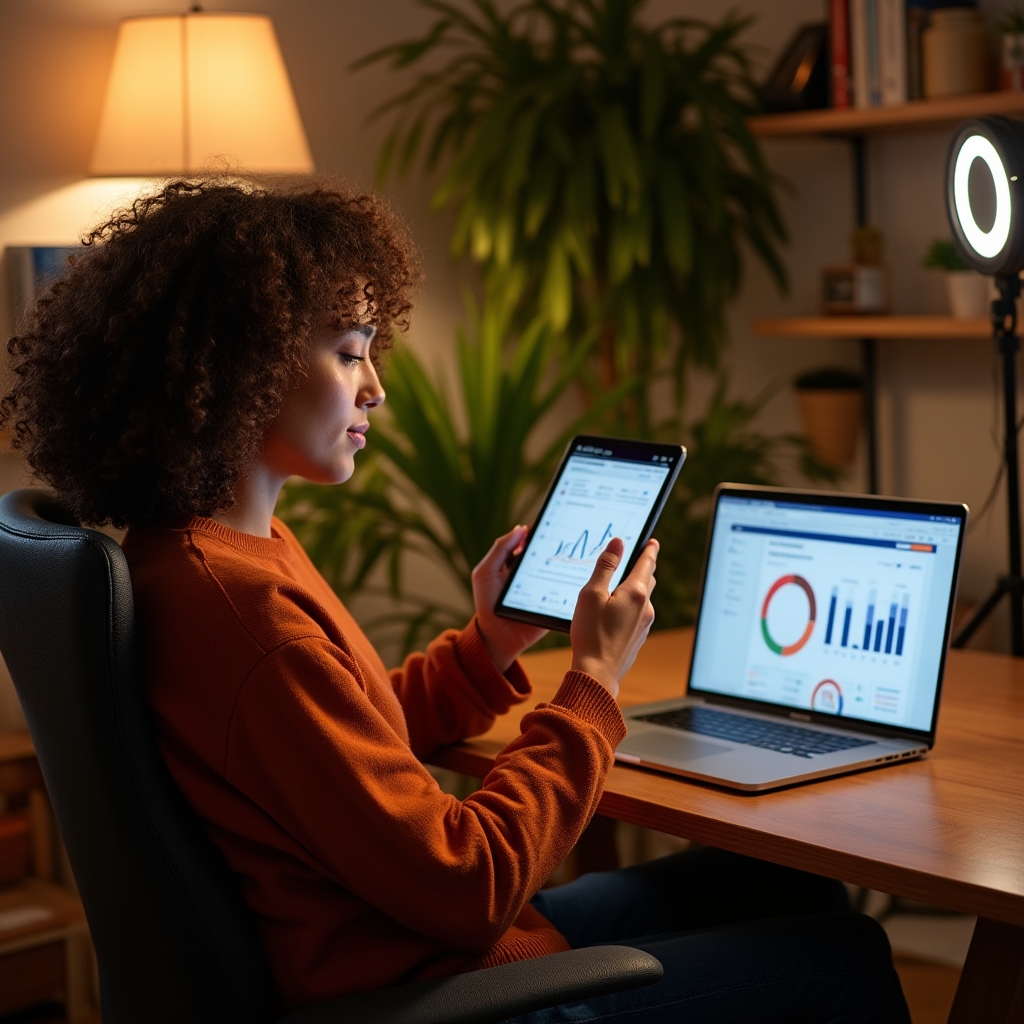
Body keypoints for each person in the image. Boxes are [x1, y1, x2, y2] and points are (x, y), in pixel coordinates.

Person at [1, 179, 910, 1023]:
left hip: (415, 943)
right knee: (845, 951)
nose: (376, 388)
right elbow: (469, 880)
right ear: (245, 367)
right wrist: (591, 680)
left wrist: (488, 643)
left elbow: (349, 744)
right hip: (438, 989)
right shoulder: (243, 613)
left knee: (784, 891)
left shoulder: (211, 557)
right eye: (350, 352)